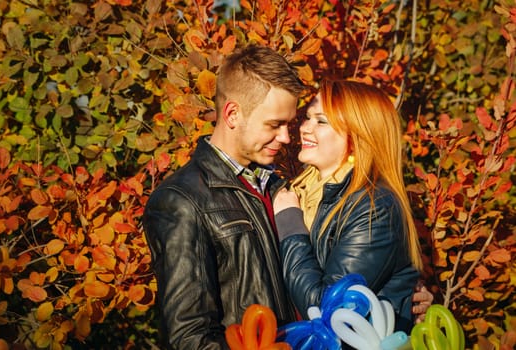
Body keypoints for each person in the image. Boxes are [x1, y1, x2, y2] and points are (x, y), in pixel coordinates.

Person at [144, 46, 433, 349]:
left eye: (290, 123)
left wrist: (398, 300)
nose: (287, 137)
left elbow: (333, 276)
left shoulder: (282, 188)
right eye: (274, 125)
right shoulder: (182, 200)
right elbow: (188, 337)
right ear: (232, 114)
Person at [273, 78, 428, 333]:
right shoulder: (298, 191)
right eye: (308, 117)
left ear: (357, 138)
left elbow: (327, 310)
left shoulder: (374, 208)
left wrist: (291, 225)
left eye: (321, 121)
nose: (305, 128)